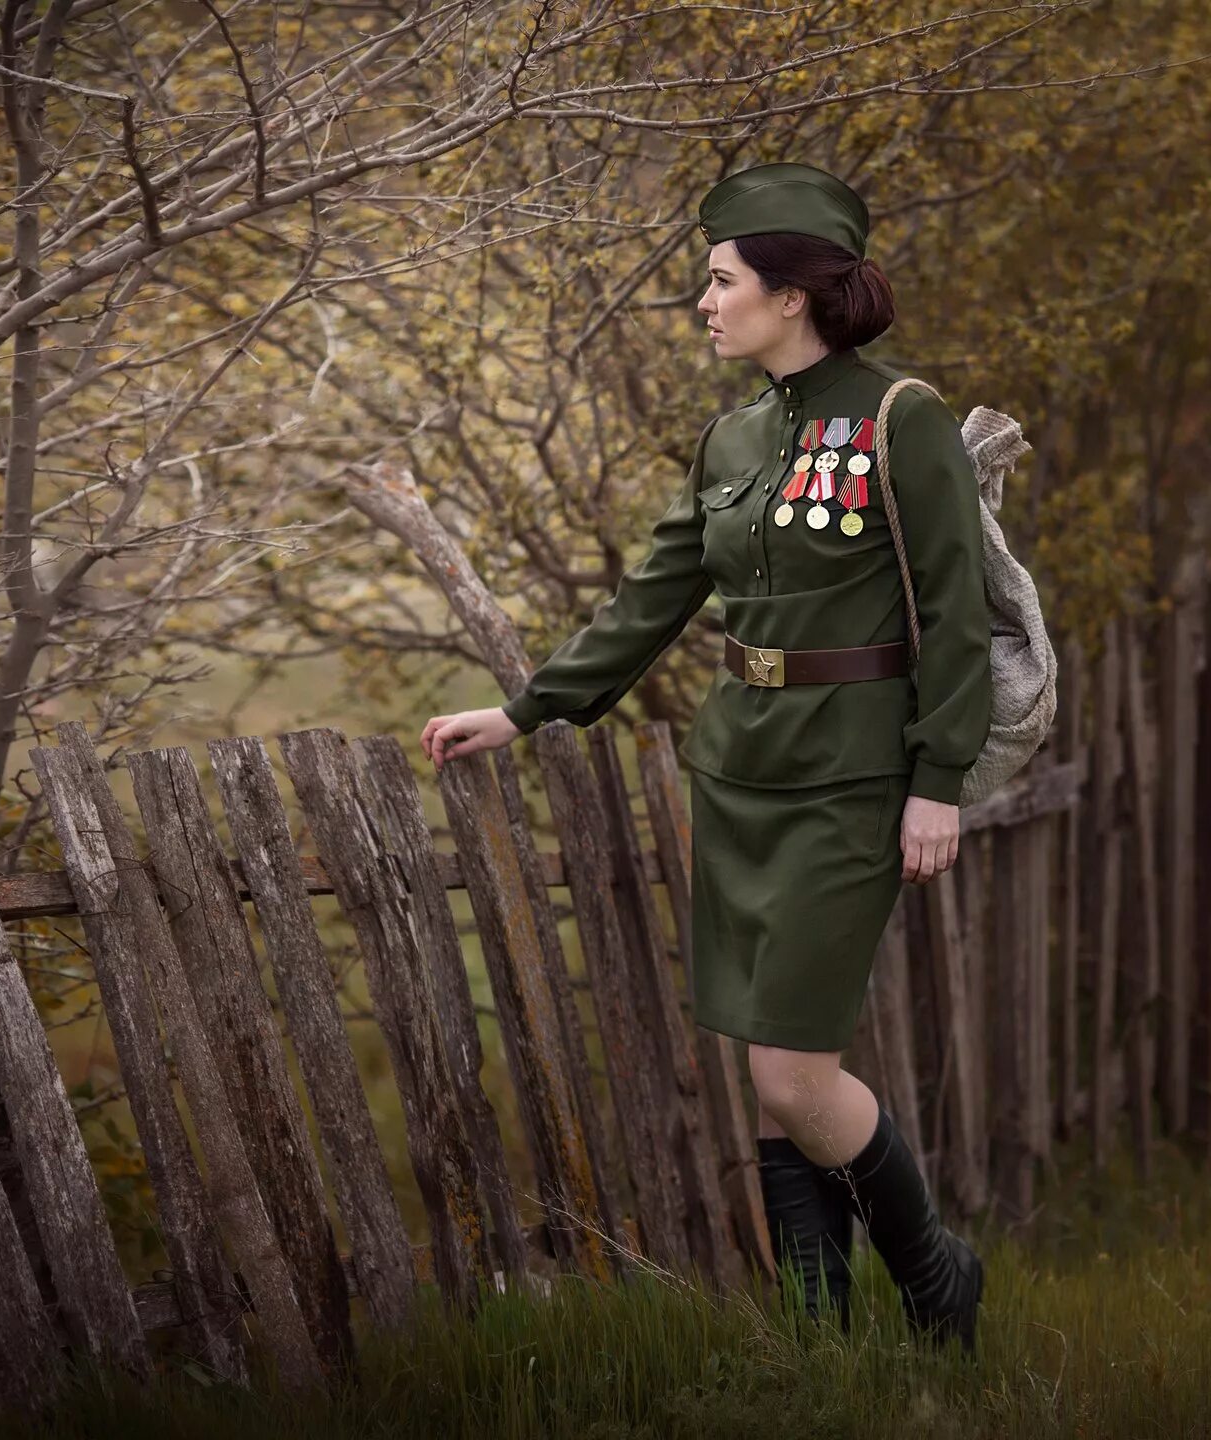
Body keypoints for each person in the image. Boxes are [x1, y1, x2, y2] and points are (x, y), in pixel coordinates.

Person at [418, 162, 992, 1351]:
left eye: (722, 279)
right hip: (739, 777)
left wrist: (938, 781)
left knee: (792, 1078)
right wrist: (529, 709)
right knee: (769, 1067)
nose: (702, 298)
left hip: (851, 779)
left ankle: (936, 1277)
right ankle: (818, 1337)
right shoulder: (731, 434)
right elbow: (658, 593)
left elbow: (954, 608)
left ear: (792, 295)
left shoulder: (901, 417)